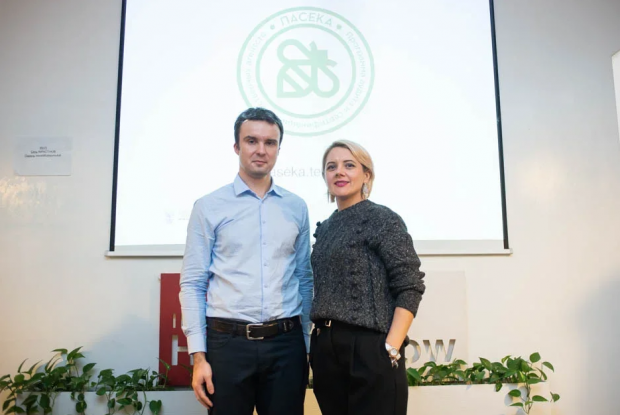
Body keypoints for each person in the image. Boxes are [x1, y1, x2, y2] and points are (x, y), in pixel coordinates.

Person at [179, 107, 313, 415]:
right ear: (237, 147)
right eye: (252, 141)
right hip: (227, 345)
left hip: (286, 345)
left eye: (270, 142)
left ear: (278, 148)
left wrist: (305, 345)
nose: (261, 150)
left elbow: (304, 278)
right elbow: (194, 282)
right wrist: (199, 356)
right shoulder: (209, 206)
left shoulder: (296, 207)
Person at [309, 140, 426, 415]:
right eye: (331, 167)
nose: (339, 172)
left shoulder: (382, 219)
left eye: (349, 165)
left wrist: (391, 348)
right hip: (327, 350)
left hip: (370, 349)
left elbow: (410, 285)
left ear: (366, 175)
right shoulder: (325, 228)